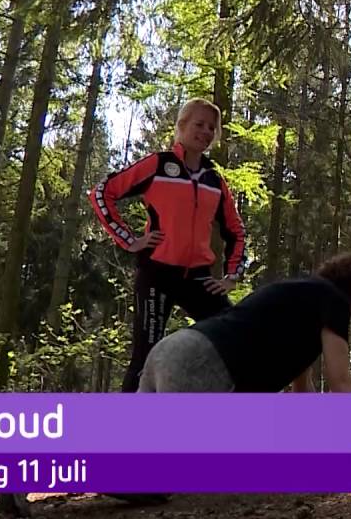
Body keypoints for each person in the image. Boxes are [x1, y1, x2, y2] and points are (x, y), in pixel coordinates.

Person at [139, 250, 351, 458]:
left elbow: (303, 395)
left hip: (169, 351)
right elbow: (340, 381)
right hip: (203, 363)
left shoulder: (301, 304)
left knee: (133, 457)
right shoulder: (333, 300)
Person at [90, 98, 248, 393]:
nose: (205, 131)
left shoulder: (215, 179)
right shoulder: (158, 165)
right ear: (182, 126)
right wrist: (129, 240)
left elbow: (236, 231)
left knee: (236, 337)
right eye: (198, 124)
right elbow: (102, 193)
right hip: (157, 275)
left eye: (211, 127)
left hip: (200, 277)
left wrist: (231, 276)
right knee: (145, 355)